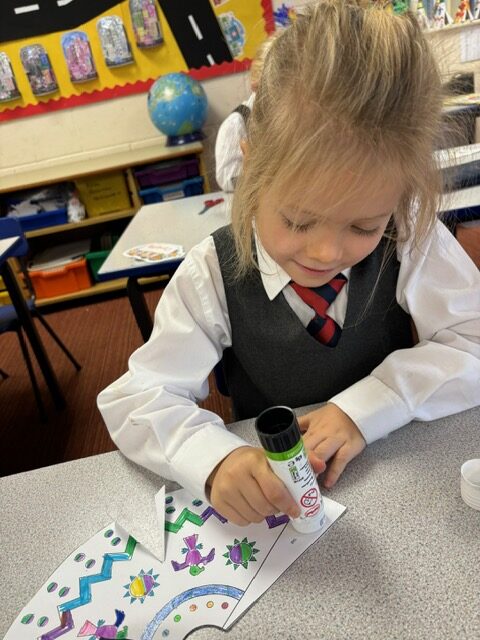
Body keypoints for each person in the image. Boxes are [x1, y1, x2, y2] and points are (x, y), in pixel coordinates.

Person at [98, 0, 480, 527]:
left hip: (394, 483)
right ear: (253, 165)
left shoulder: (408, 232)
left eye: (363, 227)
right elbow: (139, 397)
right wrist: (214, 460)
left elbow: (473, 339)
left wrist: (374, 404)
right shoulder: (213, 269)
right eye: (299, 221)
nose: (325, 253)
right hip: (276, 509)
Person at [214, 36, 275, 191]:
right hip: (251, 204)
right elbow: (225, 179)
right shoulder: (236, 124)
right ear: (256, 87)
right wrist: (259, 175)